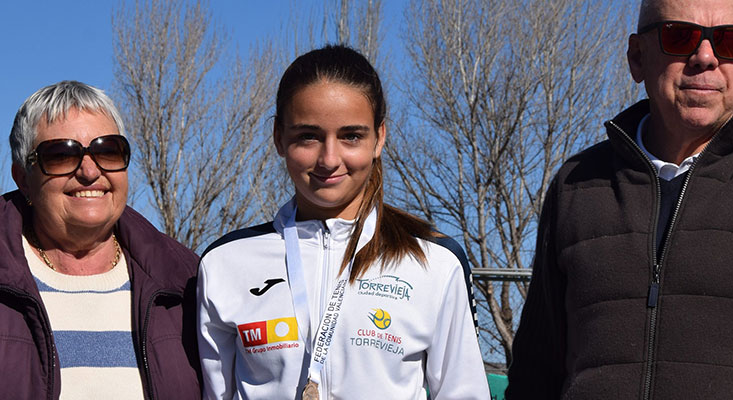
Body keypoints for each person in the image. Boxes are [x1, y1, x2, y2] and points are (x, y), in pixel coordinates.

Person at [507, 0, 733, 398]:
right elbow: (535, 373)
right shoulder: (576, 186)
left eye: (729, 40)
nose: (705, 57)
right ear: (637, 56)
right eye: (680, 36)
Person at [197, 45, 490, 399]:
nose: (330, 159)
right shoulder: (225, 263)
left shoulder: (434, 261)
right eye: (309, 136)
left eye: (351, 136)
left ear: (379, 137)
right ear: (278, 137)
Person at [1, 81, 201, 399]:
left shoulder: (186, 283)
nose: (90, 171)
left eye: (108, 150)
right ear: (23, 179)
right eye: (60, 155)